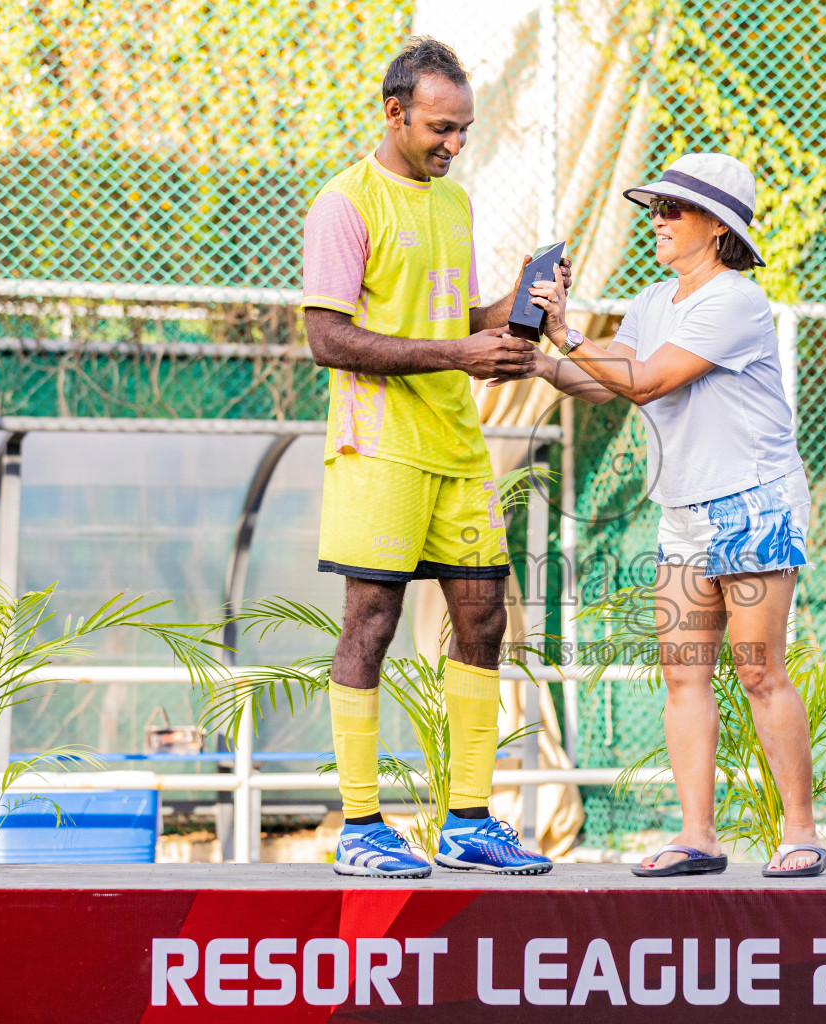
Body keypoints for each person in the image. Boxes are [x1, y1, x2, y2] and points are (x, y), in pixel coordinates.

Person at [514, 153, 826, 876]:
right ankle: (698, 839)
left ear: (717, 226)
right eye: (653, 208)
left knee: (757, 671)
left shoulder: (736, 301)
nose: (656, 219)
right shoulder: (655, 302)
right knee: (683, 672)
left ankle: (802, 833)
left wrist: (566, 334)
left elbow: (648, 382)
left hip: (753, 504)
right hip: (684, 508)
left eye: (672, 210)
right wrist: (536, 358)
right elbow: (605, 385)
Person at [301, 37, 570, 878]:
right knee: (371, 622)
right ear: (395, 112)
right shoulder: (345, 204)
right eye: (440, 128)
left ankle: (466, 823)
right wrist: (462, 354)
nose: (453, 144)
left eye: (464, 129)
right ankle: (359, 827)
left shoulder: (453, 205)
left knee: (484, 620)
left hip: (457, 445)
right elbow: (327, 337)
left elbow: (454, 316)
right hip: (378, 447)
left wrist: (521, 303)